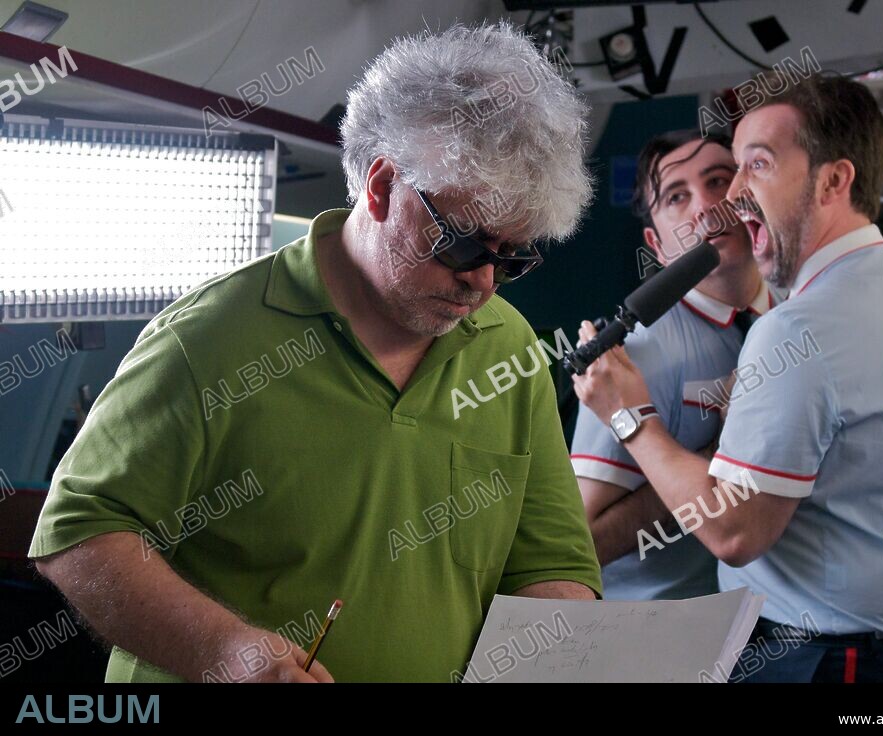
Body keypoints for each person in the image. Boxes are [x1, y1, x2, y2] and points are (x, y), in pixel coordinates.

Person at [29, 22, 601, 684]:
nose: (483, 282)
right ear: (382, 186)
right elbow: (78, 532)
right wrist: (226, 652)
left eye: (515, 257)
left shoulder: (510, 350)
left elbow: (551, 565)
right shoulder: (209, 338)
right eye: (464, 244)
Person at [572, 72, 883, 682]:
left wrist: (631, 417)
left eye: (753, 167)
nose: (734, 197)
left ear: (833, 180)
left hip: (809, 660)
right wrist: (876, 518)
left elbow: (733, 532)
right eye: (679, 195)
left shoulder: (792, 331)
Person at [571, 129, 776, 601]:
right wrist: (721, 457)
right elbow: (580, 545)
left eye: (720, 180)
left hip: (769, 624)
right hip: (661, 634)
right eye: (677, 196)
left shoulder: (796, 317)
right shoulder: (638, 355)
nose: (706, 207)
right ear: (657, 245)